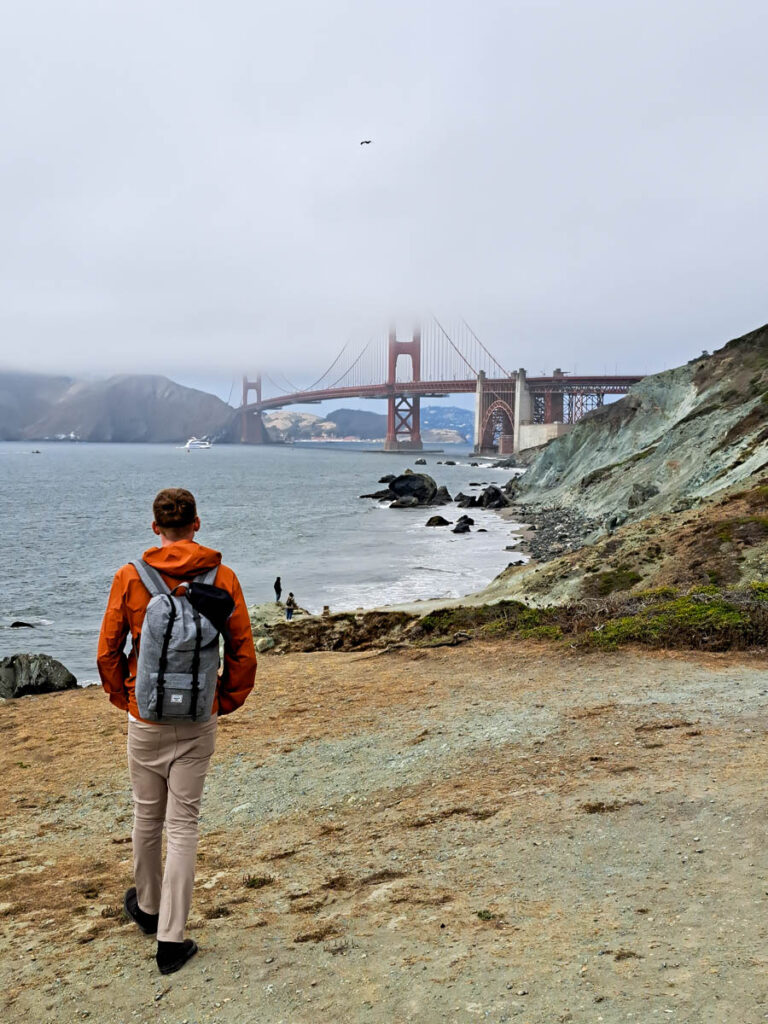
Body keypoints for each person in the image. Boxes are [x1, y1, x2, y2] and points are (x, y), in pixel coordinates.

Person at [97, 487, 257, 976]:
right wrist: (221, 701)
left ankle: (146, 908)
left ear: (155, 528)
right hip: (198, 720)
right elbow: (243, 654)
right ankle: (172, 939)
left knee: (147, 817)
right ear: (197, 525)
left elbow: (107, 651)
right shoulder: (222, 578)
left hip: (144, 719)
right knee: (183, 825)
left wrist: (125, 698)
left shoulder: (130, 577)